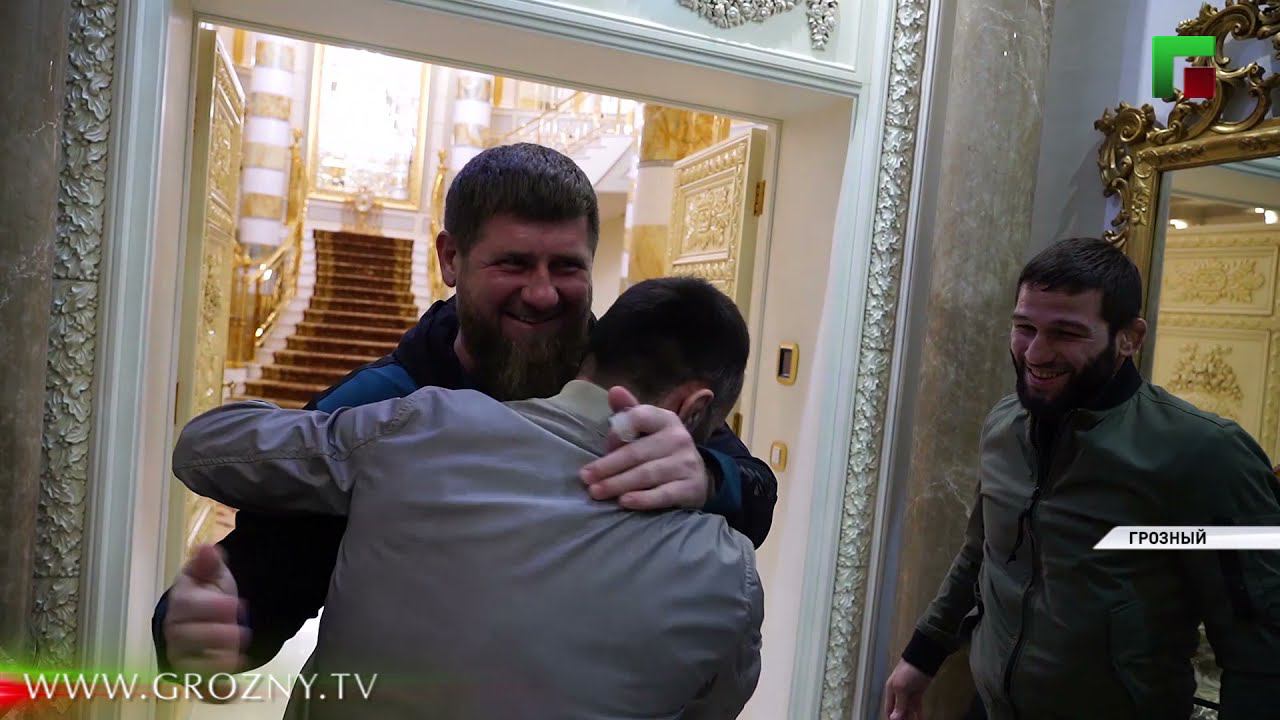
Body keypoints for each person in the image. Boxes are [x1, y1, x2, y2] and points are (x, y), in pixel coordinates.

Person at [153, 144, 778, 674]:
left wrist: (708, 476)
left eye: (566, 266)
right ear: (450, 258)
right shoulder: (389, 403)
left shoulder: (628, 383)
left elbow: (756, 492)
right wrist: (208, 627)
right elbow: (270, 567)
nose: (542, 293)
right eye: (513, 263)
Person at [172, 277, 764, 719]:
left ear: (588, 347)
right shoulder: (727, 573)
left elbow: (203, 450)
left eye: (563, 268)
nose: (539, 294)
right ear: (696, 408)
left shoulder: (418, 426)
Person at [884, 238, 1280, 720]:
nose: (1036, 352)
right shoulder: (1004, 425)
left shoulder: (1206, 454)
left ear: (1129, 338)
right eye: (1024, 327)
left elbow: (1260, 643)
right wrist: (921, 656)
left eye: (1066, 333)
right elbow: (980, 553)